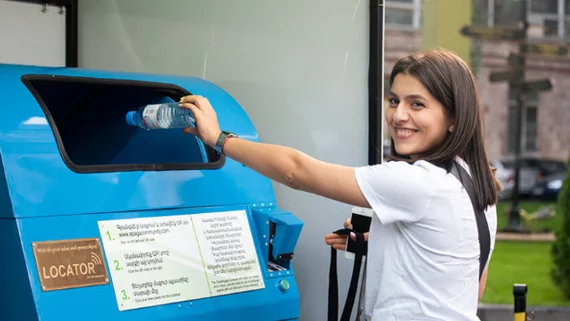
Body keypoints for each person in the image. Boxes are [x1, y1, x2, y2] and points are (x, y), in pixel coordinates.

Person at [179, 49, 499, 321]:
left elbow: (297, 172)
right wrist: (382, 243)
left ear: (454, 117)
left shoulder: (418, 182)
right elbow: (470, 279)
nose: (399, 115)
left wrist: (219, 139)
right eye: (394, 100)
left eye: (417, 104)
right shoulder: (476, 182)